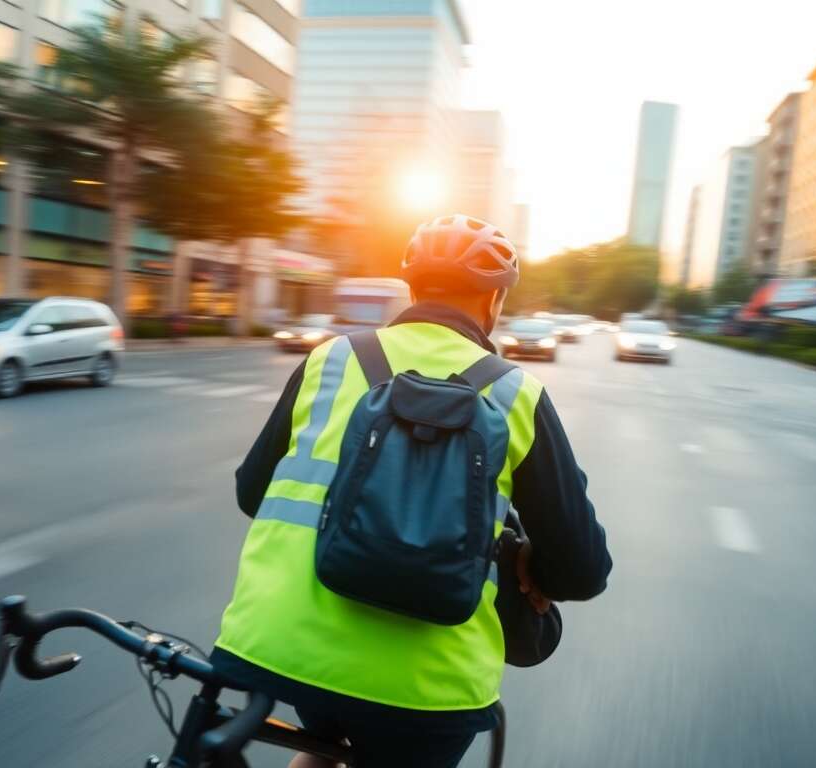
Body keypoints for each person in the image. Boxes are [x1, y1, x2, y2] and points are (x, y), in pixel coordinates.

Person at [211, 214, 612, 768]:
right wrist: (522, 561)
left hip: (278, 649)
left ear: (414, 288)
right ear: (493, 302)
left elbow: (252, 493)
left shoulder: (330, 360)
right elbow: (583, 571)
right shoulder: (519, 394)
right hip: (429, 692)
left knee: (322, 744)